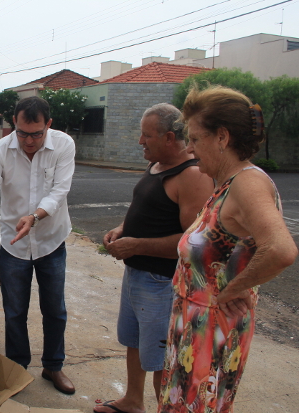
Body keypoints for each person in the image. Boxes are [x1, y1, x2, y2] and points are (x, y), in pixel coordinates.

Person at [157, 86, 298, 412]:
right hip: (193, 325)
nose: (189, 149)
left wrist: (235, 288)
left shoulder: (247, 183)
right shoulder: (225, 182)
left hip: (212, 330)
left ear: (222, 137)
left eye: (194, 139)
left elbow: (281, 250)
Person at [95, 103, 214, 413]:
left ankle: (166, 408)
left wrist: (138, 245)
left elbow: (194, 240)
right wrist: (123, 230)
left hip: (162, 282)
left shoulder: (192, 176)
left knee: (162, 356)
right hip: (137, 276)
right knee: (134, 342)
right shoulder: (157, 165)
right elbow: (151, 210)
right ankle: (134, 401)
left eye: (147, 136)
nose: (140, 142)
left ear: (170, 137)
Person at [0, 96, 76, 394]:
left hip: (51, 240)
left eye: (36, 134)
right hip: (13, 244)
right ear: (13, 124)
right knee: (14, 310)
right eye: (22, 133)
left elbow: (60, 190)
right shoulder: (1, 149)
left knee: (54, 308)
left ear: (48, 125)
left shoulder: (64, 145)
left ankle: (54, 366)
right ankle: (17, 368)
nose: (29, 140)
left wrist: (34, 216)